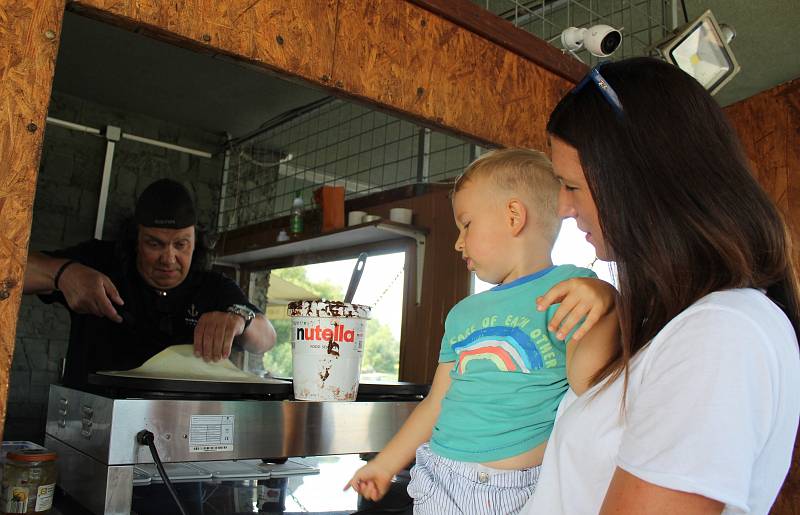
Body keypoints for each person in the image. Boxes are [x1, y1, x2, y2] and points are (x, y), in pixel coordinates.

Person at [522, 57, 800, 515]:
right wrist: (610, 307)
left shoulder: (721, 334)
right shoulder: (675, 325)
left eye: (571, 186)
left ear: (637, 182)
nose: (563, 207)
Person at [346, 149, 619, 513]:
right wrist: (384, 464)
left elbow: (590, 385)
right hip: (440, 476)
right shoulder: (463, 313)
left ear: (513, 216)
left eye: (466, 224)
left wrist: (609, 301)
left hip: (516, 489)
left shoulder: (572, 287)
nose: (458, 242)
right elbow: (436, 403)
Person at [23, 178, 277, 388]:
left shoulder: (212, 287)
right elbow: (14, 271)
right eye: (154, 244)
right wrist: (63, 273)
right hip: (90, 421)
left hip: (179, 428)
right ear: (135, 239)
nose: (168, 258)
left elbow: (266, 338)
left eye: (181, 244)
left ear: (196, 241)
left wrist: (241, 319)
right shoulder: (100, 262)